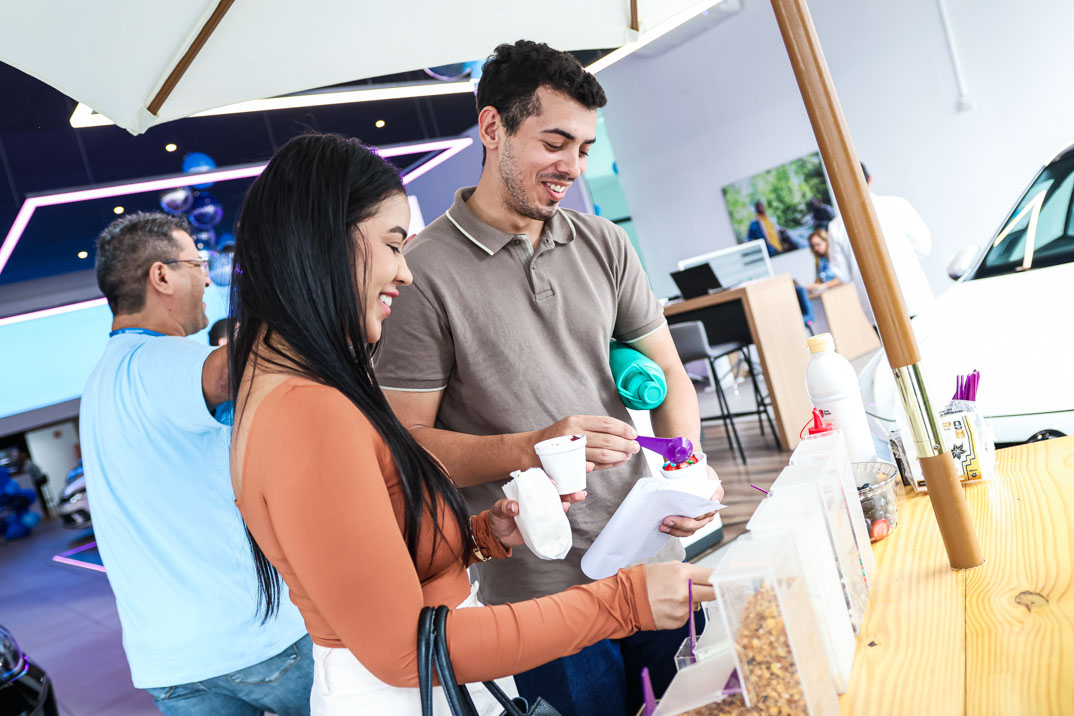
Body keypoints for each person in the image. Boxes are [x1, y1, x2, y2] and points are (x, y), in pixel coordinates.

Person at [228, 132, 712, 716]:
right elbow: (406, 651)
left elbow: (376, 561)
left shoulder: (291, 393)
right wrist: (624, 602)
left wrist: (481, 536)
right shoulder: (307, 414)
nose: (404, 274)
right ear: (322, 241)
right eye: (392, 245)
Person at [374, 41, 722, 715]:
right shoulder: (421, 273)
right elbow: (407, 444)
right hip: (539, 596)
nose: (573, 167)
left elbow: (670, 373)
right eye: (555, 143)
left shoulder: (603, 242)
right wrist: (533, 447)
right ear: (492, 128)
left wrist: (687, 474)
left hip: (650, 554)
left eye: (585, 148)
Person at [79, 212, 312, 715]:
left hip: (171, 666)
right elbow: (228, 376)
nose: (208, 280)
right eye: (198, 264)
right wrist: (287, 282)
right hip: (255, 642)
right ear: (161, 276)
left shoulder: (100, 383)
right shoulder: (158, 359)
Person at [825, 163, 935, 323]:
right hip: (914, 296)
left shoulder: (836, 226)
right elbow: (924, 247)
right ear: (870, 179)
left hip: (876, 311)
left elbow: (843, 275)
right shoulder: (897, 205)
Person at [806, 229, 842, 294]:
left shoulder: (837, 256)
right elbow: (818, 280)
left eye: (818, 244)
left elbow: (843, 278)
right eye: (813, 246)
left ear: (827, 241)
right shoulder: (821, 261)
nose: (816, 248)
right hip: (830, 293)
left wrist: (823, 286)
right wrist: (813, 286)